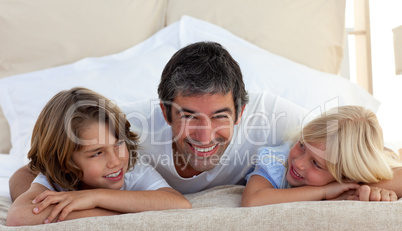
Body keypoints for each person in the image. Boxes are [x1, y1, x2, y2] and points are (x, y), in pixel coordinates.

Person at [9, 41, 402, 199]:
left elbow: (364, 156)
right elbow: (26, 176)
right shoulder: (125, 132)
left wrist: (368, 186)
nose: (204, 135)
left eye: (220, 117)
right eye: (187, 116)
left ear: (242, 112)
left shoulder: (276, 118)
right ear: (164, 111)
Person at [6, 87, 191, 226]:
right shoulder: (54, 180)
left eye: (118, 144)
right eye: (97, 153)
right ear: (65, 163)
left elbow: (178, 203)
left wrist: (95, 197)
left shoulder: (133, 170)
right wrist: (116, 212)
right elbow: (18, 216)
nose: (115, 161)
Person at [241, 106, 402, 207]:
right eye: (302, 145)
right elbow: (252, 200)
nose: (298, 163)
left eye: (316, 164)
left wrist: (373, 190)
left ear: (345, 178)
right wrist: (324, 192)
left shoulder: (352, 171)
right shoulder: (277, 161)